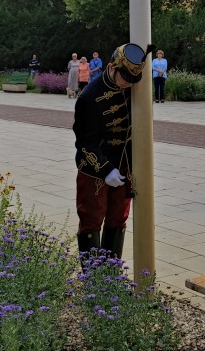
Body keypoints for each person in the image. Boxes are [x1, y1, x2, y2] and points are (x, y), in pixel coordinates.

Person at [73, 43, 151, 260]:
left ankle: (111, 276)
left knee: (118, 218)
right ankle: (93, 281)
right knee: (91, 219)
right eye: (124, 76)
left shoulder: (130, 89)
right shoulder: (88, 98)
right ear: (111, 67)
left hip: (124, 164)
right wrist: (106, 170)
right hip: (96, 168)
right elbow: (84, 143)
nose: (127, 83)